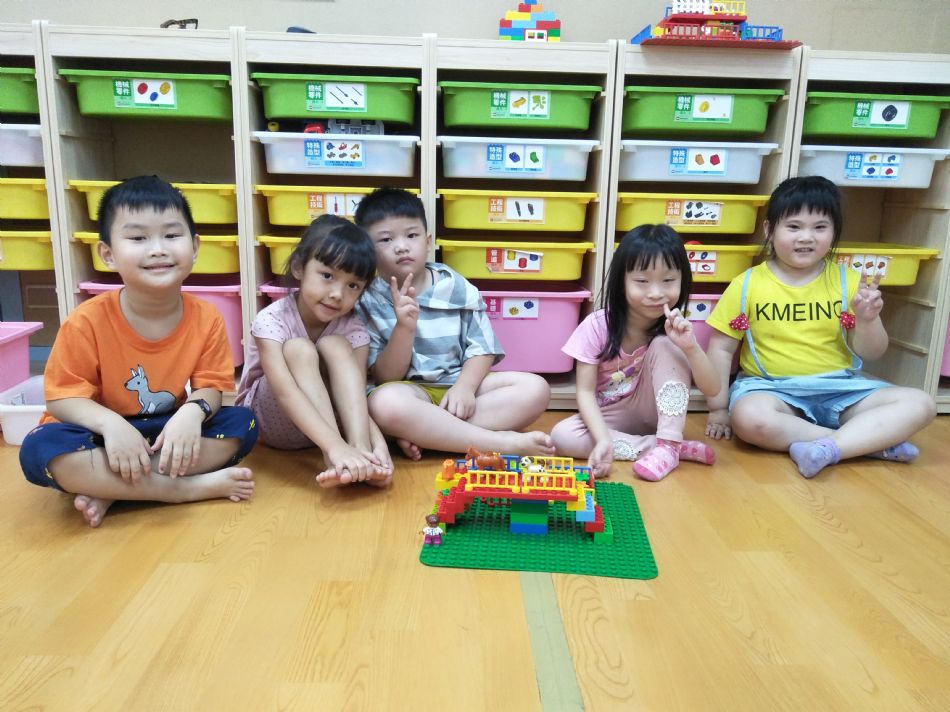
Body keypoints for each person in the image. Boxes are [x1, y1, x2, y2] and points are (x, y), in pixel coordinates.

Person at [19, 176, 258, 527]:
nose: (158, 249)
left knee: (243, 423)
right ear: (108, 254)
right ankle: (181, 490)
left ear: (194, 247)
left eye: (171, 235)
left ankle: (112, 488)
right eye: (138, 238)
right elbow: (62, 400)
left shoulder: (207, 317)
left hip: (163, 428)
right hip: (95, 433)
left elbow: (211, 387)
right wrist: (112, 426)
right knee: (39, 448)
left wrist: (191, 415)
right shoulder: (85, 321)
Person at [704, 175, 936, 478]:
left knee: (921, 403)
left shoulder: (849, 282)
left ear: (834, 231)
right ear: (769, 230)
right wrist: (718, 408)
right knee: (749, 418)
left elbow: (872, 352)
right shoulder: (746, 285)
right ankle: (862, 443)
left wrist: (868, 319)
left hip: (842, 390)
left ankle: (828, 445)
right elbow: (721, 349)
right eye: (794, 226)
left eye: (820, 227)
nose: (806, 237)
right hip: (773, 390)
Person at [354, 187, 553, 460]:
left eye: (411, 235)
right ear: (369, 251)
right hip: (411, 392)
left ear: (428, 241)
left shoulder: (456, 287)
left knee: (535, 389)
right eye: (386, 239)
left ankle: (429, 435)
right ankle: (500, 443)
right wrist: (404, 328)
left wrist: (465, 387)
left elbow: (483, 349)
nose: (401, 246)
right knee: (383, 404)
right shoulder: (368, 300)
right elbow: (386, 378)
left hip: (458, 386)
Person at [551, 224, 720, 481]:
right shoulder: (597, 326)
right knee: (562, 436)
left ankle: (668, 444)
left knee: (665, 344)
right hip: (611, 415)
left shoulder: (677, 329)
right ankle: (664, 447)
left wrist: (690, 347)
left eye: (668, 281)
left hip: (656, 413)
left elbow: (712, 389)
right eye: (642, 281)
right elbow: (585, 392)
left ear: (682, 280)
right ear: (622, 283)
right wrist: (602, 440)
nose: (656, 293)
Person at [235, 215, 392, 487]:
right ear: (299, 267)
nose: (337, 294)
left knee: (335, 345)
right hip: (271, 422)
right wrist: (335, 446)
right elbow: (284, 392)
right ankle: (335, 457)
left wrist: (379, 447)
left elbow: (355, 397)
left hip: (331, 423)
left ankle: (361, 454)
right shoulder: (271, 320)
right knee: (298, 348)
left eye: (352, 285)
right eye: (327, 276)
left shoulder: (354, 328)